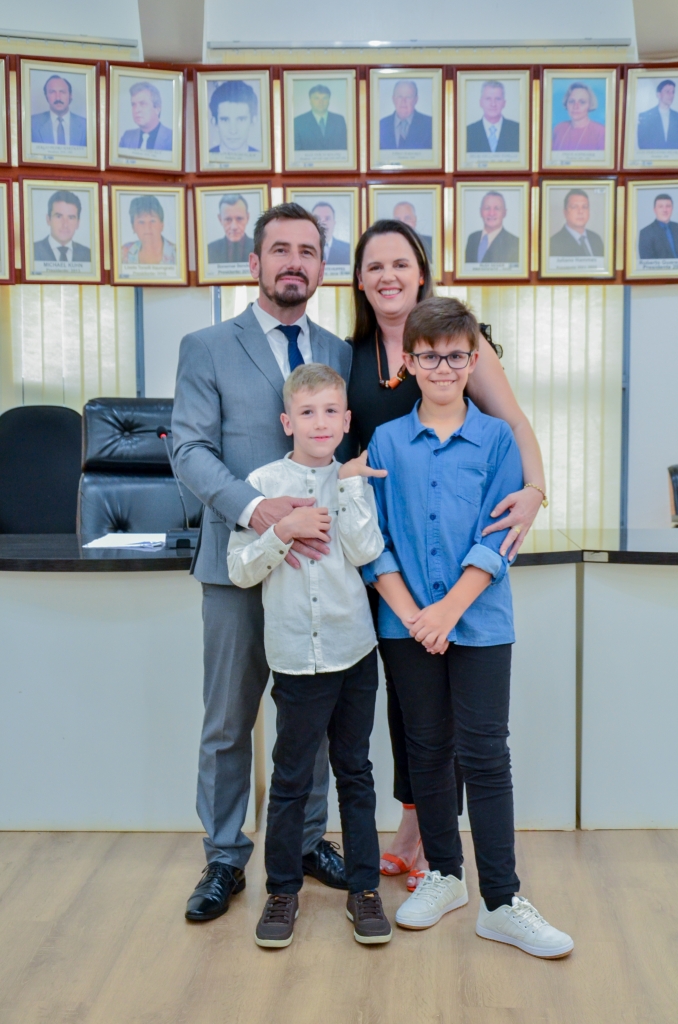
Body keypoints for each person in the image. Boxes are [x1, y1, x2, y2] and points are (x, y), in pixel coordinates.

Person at [364, 296, 574, 959]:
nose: (444, 368)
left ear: (474, 359)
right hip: (405, 624)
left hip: (478, 622)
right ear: (409, 362)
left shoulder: (498, 440)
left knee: (485, 754)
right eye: (430, 357)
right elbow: (372, 539)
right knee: (426, 749)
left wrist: (447, 612)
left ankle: (502, 901)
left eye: (457, 356)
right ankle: (445, 877)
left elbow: (499, 536)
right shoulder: (386, 441)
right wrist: (414, 616)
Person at [345, 220, 548, 889]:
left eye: (401, 263)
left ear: (421, 272)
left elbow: (513, 427)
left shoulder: (464, 345)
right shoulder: (349, 356)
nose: (389, 276)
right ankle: (431, 851)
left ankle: (478, 880)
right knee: (417, 729)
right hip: (394, 577)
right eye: (375, 265)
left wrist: (535, 490)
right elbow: (334, 450)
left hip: (466, 591)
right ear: (359, 279)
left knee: (476, 744)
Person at [172, 203, 353, 923]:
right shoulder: (207, 346)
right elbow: (189, 450)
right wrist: (257, 509)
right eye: (280, 249)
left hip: (317, 569)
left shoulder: (338, 351)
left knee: (310, 718)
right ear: (254, 262)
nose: (294, 262)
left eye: (307, 251)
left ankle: (306, 841)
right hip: (236, 566)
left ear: (320, 267)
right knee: (229, 720)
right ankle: (224, 856)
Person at [227, 363, 392, 948]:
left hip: (354, 652)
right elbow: (239, 569)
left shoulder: (356, 479)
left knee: (355, 773)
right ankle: (282, 891)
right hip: (297, 658)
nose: (319, 423)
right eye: (306, 412)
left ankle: (364, 890)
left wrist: (348, 486)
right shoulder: (263, 483)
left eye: (330, 412)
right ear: (286, 421)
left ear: (346, 420)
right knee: (292, 777)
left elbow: (366, 551)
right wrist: (284, 530)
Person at [34, 190, 91, 263]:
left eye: (71, 217)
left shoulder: (88, 255)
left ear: (78, 223)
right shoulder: (32, 251)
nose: (65, 225)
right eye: (59, 216)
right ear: (48, 219)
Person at [31, 74, 87, 147]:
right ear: (46, 96)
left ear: (70, 95)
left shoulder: (86, 125)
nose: (58, 98)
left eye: (62, 92)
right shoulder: (32, 124)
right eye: (52, 92)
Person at [465, 191, 519, 264]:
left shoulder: (515, 243)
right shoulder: (472, 238)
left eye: (497, 208)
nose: (491, 213)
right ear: (480, 212)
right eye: (487, 208)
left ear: (504, 213)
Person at [466, 80, 520, 153]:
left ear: (504, 103)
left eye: (497, 99)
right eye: (488, 99)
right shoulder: (468, 132)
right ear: (481, 102)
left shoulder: (517, 130)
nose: (493, 104)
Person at [122, 195, 176, 265]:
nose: (147, 227)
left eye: (152, 221)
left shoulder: (178, 253)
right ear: (133, 227)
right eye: (141, 222)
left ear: (162, 225)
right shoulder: (124, 252)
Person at [549, 189, 604, 257]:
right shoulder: (554, 243)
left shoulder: (596, 239)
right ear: (565, 212)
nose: (580, 211)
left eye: (584, 207)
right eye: (574, 207)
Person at [119, 81, 172, 151]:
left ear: (157, 109)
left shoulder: (172, 138)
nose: (136, 110)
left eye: (143, 103)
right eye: (133, 104)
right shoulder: (127, 137)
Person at [551, 82, 605, 151]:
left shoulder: (601, 132)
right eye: (572, 101)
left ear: (590, 105)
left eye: (582, 102)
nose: (576, 106)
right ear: (566, 104)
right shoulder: (558, 128)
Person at [209, 80, 259, 154]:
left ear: (253, 121)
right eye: (225, 120)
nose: (233, 131)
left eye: (241, 120)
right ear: (214, 122)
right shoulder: (205, 157)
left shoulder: (261, 157)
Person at [379, 80, 432, 150]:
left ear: (416, 100)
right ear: (393, 99)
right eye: (400, 96)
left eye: (408, 97)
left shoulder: (430, 125)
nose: (403, 101)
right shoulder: (381, 125)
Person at [294, 85, 348, 151]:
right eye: (316, 98)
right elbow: (296, 151)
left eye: (325, 98)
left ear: (329, 100)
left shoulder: (339, 120)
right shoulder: (298, 122)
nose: (321, 102)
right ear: (310, 100)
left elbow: (345, 148)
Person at [207, 194, 254, 264]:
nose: (234, 227)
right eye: (228, 219)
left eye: (239, 219)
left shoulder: (258, 247)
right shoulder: (210, 250)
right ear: (220, 219)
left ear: (248, 217)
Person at [637, 79, 678, 149]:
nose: (671, 95)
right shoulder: (645, 116)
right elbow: (642, 143)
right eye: (667, 91)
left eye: (673, 92)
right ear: (658, 94)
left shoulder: (676, 116)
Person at [638, 193, 678, 259]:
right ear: (655, 210)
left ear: (672, 208)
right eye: (660, 206)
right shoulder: (646, 233)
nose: (665, 210)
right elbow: (647, 262)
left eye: (668, 206)